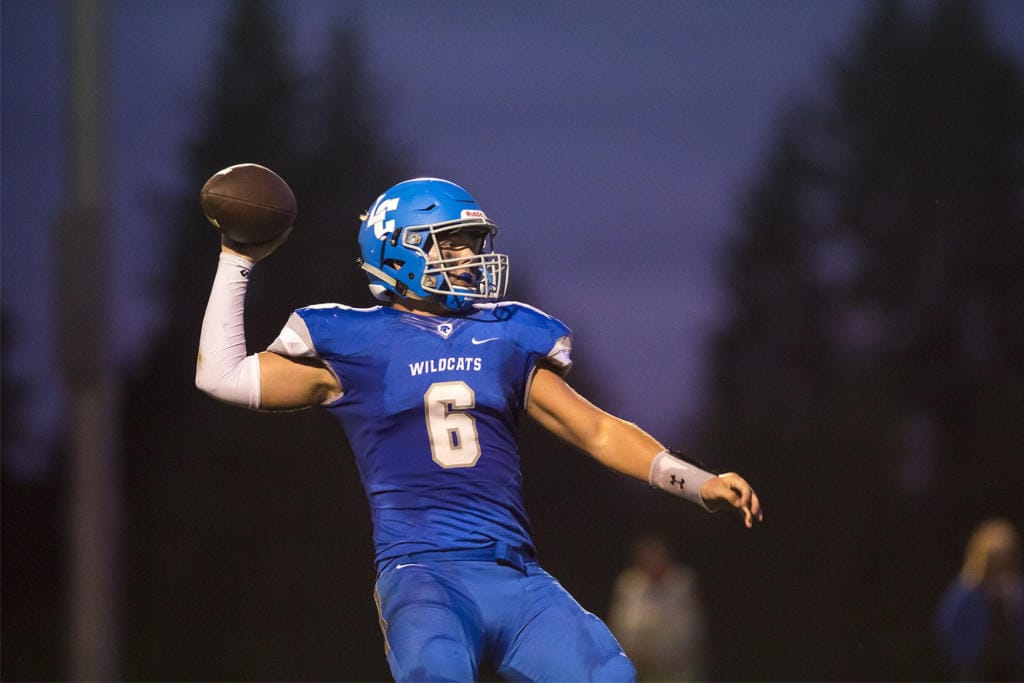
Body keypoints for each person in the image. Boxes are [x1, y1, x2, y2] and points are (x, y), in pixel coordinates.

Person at [195, 177, 763, 681]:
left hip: (517, 576)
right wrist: (236, 259)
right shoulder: (356, 343)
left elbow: (594, 430)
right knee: (433, 670)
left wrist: (696, 481)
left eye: (473, 242)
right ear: (400, 249)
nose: (470, 256)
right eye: (452, 242)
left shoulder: (504, 336)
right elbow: (223, 376)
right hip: (424, 577)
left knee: (607, 670)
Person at [608, 535, 709, 682]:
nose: (653, 564)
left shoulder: (682, 582)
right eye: (648, 559)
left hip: (681, 668)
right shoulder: (629, 585)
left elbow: (692, 626)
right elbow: (623, 627)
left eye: (658, 558)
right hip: (644, 669)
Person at [934, 518, 1024, 681]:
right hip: (977, 663)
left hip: (1012, 662)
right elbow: (946, 626)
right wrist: (963, 655)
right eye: (994, 556)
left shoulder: (1016, 587)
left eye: (1004, 555)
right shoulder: (967, 588)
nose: (999, 562)